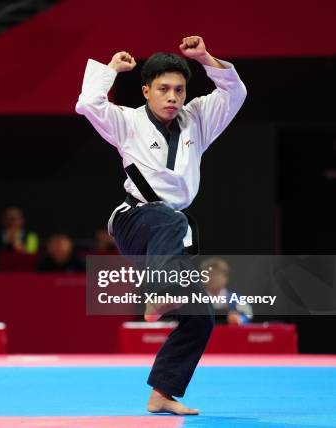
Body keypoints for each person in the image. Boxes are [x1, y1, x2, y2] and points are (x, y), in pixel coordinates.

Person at [76, 36, 246, 415]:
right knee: (170, 217)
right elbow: (87, 103)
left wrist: (204, 57)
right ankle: (159, 292)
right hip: (135, 220)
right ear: (146, 90)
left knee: (200, 319)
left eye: (179, 90)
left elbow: (235, 92)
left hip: (171, 236)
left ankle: (162, 393)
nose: (172, 97)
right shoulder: (126, 121)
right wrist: (110, 71)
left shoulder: (198, 118)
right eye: (163, 89)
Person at [200, 257, 252, 325]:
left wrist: (239, 319)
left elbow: (248, 315)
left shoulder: (237, 299)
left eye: (217, 274)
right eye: (208, 274)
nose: (212, 277)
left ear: (226, 278)